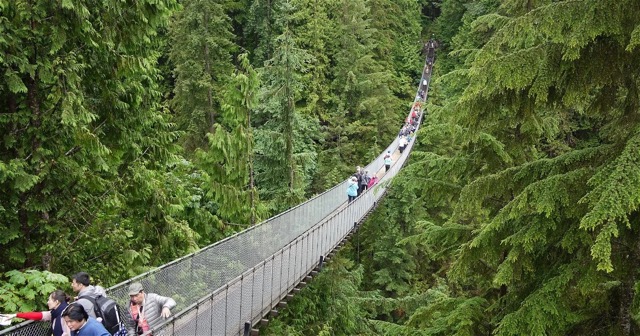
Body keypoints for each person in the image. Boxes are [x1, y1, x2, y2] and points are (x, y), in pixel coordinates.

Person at [0, 290, 71, 336]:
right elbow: (38, 315)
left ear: (56, 302)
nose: (47, 302)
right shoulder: (55, 312)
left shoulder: (66, 315)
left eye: (49, 300)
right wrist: (15, 315)